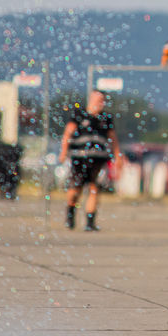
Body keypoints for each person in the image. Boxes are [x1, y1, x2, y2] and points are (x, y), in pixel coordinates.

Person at [58, 90, 123, 231]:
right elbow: (68, 133)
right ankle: (70, 212)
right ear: (91, 99)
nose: (101, 103)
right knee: (75, 188)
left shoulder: (106, 118)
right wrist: (63, 152)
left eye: (103, 100)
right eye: (98, 99)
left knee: (95, 188)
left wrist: (117, 156)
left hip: (99, 158)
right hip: (79, 158)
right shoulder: (79, 115)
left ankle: (90, 222)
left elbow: (113, 138)